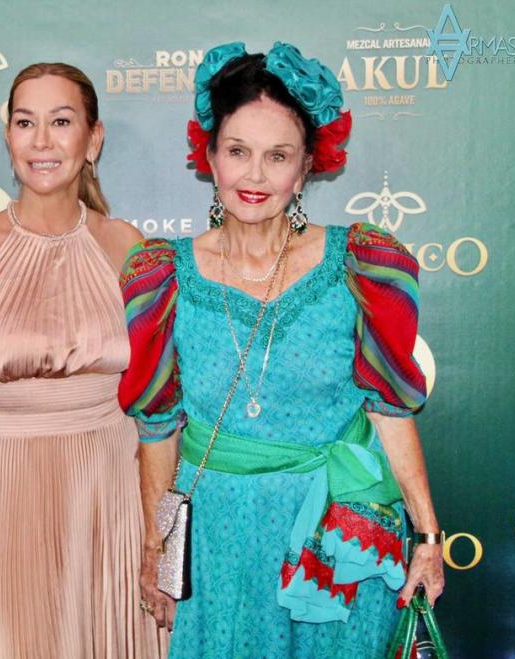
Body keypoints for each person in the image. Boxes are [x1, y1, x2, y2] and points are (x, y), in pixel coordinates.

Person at [119, 42, 445, 658]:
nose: (255, 176)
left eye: (278, 156)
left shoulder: (361, 265)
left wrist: (427, 534)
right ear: (210, 156)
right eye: (238, 152)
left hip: (338, 539)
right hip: (222, 538)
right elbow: (157, 430)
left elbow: (390, 412)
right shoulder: (163, 279)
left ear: (305, 169)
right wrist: (157, 549)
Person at [0, 63, 164, 658]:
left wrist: (156, 531)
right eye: (25, 122)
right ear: (8, 138)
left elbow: (156, 410)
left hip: (110, 495)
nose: (41, 140)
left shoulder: (128, 247)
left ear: (93, 140)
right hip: (1, 500)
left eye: (61, 122)